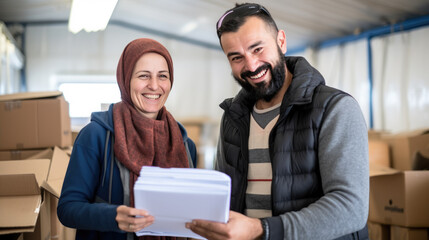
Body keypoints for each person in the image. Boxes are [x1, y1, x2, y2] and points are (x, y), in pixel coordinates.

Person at [186, 3, 369, 240]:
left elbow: (350, 208)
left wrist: (263, 230)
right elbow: (226, 199)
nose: (251, 65)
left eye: (257, 49)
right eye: (236, 57)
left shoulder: (335, 109)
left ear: (281, 41)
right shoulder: (232, 118)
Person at [58, 38, 197, 240]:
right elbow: (67, 209)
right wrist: (113, 217)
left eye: (162, 76)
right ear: (125, 79)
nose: (154, 85)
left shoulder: (184, 145)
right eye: (143, 76)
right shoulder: (96, 136)